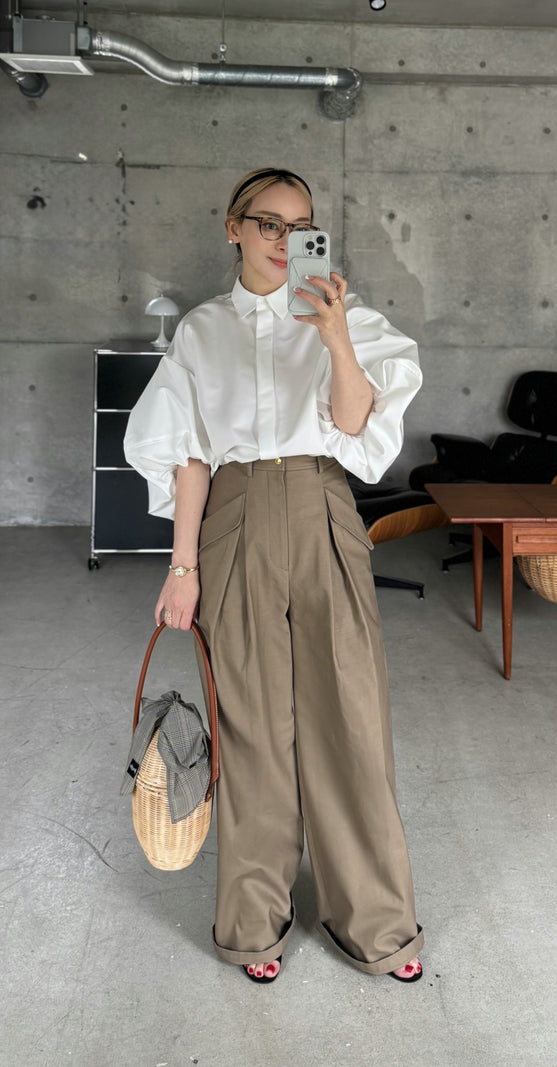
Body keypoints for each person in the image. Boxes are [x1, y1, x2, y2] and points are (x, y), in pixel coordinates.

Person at [124, 167, 424, 985]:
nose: (284, 242)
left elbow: (357, 427)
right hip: (234, 517)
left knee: (350, 716)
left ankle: (377, 922)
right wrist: (182, 567)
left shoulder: (342, 316)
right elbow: (189, 455)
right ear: (233, 227)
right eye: (268, 224)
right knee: (249, 723)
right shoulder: (202, 330)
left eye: (300, 227)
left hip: (322, 505)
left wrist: (334, 337)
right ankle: (254, 921)